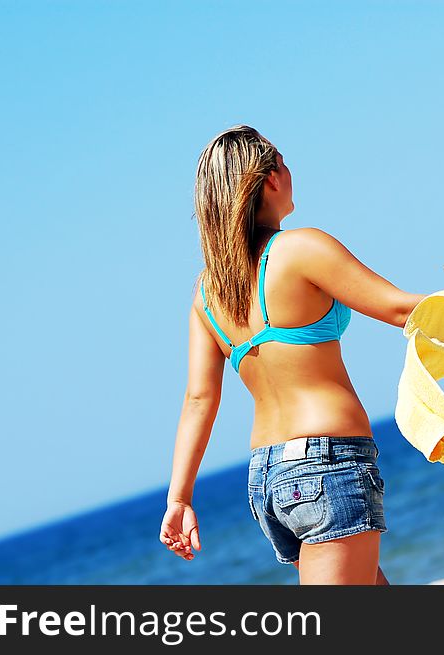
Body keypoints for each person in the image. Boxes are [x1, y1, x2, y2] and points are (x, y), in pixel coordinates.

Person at [160, 125, 427, 585]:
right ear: (268, 180)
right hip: (326, 465)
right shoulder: (301, 248)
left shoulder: (208, 294)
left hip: (269, 478)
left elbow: (199, 401)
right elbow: (402, 310)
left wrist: (179, 499)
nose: (290, 171)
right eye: (282, 162)